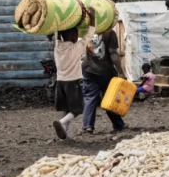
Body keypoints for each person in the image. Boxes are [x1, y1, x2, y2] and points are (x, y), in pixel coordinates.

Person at [53, 7, 96, 140]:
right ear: (73, 36)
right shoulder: (76, 48)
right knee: (78, 109)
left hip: (60, 82)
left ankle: (64, 132)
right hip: (73, 82)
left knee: (67, 107)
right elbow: (89, 35)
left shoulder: (57, 46)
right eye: (76, 35)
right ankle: (61, 123)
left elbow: (57, 33)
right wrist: (92, 18)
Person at [82, 17, 126, 134]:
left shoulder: (88, 31)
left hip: (88, 69)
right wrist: (121, 72)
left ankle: (88, 126)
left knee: (90, 97)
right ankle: (118, 124)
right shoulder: (110, 33)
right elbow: (113, 53)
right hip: (104, 71)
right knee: (109, 97)